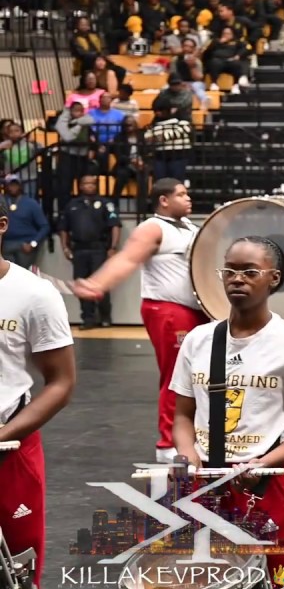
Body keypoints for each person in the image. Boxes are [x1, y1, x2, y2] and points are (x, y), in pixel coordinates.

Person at [171, 236, 284, 589]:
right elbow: (182, 416)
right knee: (207, 588)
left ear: (274, 278)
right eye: (230, 271)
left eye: (250, 272)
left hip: (268, 481)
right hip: (207, 481)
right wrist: (187, 454)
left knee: (278, 585)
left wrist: (264, 463)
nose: (237, 279)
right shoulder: (198, 340)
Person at [73, 179, 205, 461]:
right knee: (177, 376)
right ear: (164, 201)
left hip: (195, 310)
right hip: (169, 310)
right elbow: (127, 258)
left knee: (198, 377)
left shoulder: (190, 227)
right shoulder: (152, 228)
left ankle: (193, 436)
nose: (188, 198)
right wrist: (98, 283)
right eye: (181, 194)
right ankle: (168, 445)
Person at [0, 198, 76, 589]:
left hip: (10, 449)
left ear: (2, 225)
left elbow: (61, 382)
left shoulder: (33, 294)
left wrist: (4, 435)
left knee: (19, 583)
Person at [59, 174, 121, 328]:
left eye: (93, 183)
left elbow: (115, 225)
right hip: (79, 249)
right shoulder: (72, 205)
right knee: (82, 285)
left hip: (99, 248)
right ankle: (88, 318)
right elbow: (63, 228)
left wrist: (113, 247)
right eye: (86, 183)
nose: (90, 186)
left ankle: (105, 317)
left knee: (101, 283)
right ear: (80, 186)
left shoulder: (106, 204)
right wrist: (65, 247)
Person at [1, 175, 48, 270]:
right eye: (10, 185)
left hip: (26, 245)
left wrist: (33, 243)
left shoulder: (31, 203)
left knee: (23, 273)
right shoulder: (2, 202)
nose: (13, 187)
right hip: (6, 245)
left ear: (20, 186)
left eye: (15, 185)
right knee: (7, 274)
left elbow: (45, 226)